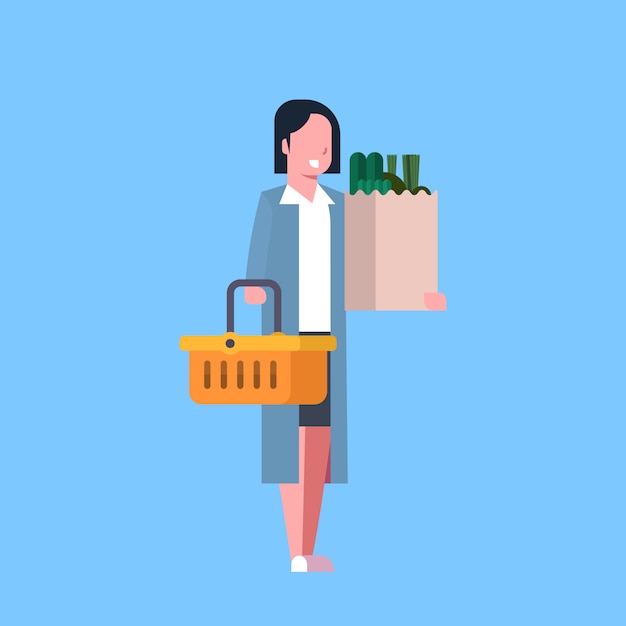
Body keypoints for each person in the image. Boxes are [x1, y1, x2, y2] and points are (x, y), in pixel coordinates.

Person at [245, 100, 347, 573]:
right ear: (284, 146)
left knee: (320, 444)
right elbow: (255, 272)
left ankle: (308, 546)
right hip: (287, 343)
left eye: (325, 145)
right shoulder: (272, 202)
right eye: (308, 142)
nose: (318, 153)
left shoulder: (340, 206)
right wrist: (255, 299)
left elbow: (362, 273)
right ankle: (296, 552)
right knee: (290, 444)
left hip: (327, 341)